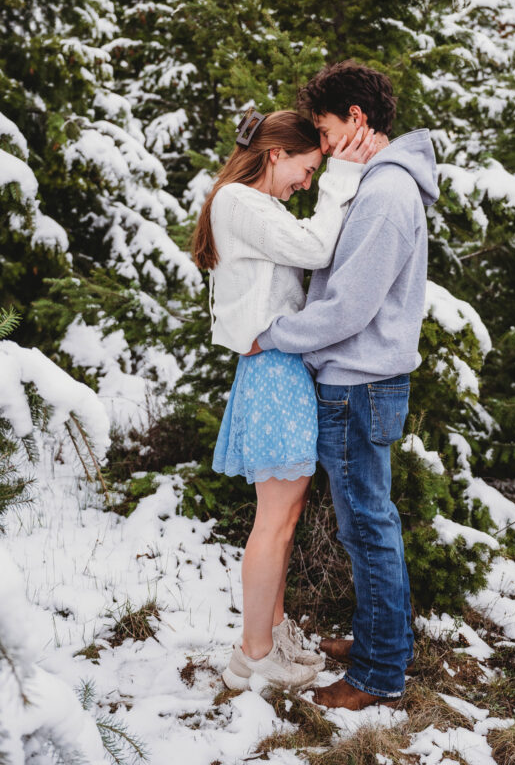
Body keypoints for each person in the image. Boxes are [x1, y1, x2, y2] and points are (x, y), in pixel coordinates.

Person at [250, 61, 439, 709]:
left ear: (357, 120)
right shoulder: (378, 186)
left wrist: (273, 334)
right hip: (358, 379)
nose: (323, 146)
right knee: (365, 522)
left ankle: (378, 673)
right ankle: (375, 645)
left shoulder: (386, 195)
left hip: (359, 383)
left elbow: (349, 308)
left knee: (367, 525)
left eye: (326, 131)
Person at [192, 108, 377, 691]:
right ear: (277, 153)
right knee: (274, 521)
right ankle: (253, 655)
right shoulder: (239, 203)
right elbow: (317, 249)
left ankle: (268, 635)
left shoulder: (255, 206)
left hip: (279, 369)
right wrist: (343, 177)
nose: (307, 179)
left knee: (284, 517)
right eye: (307, 165)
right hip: (274, 370)